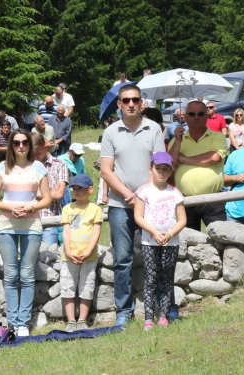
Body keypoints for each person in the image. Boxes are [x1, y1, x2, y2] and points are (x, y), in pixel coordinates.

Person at [100, 83, 165, 326]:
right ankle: (123, 312)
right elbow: (106, 171)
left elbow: (159, 165)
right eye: (125, 100)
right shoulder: (111, 132)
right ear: (119, 104)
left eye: (135, 100)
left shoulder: (154, 128)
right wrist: (130, 194)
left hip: (150, 203)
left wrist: (144, 193)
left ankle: (160, 305)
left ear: (141, 103)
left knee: (156, 255)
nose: (130, 104)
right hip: (120, 205)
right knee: (122, 260)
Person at [0, 129, 51, 337]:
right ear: (10, 145)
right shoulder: (2, 167)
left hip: (31, 225)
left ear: (30, 145)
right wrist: (9, 209)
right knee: (11, 273)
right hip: (7, 225)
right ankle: (12, 321)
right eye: (16, 143)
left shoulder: (39, 167)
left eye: (25, 142)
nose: (21, 146)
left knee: (27, 274)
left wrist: (31, 208)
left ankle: (23, 322)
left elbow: (47, 199)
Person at [134, 152, 186, 330]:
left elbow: (182, 219)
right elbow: (138, 216)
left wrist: (170, 234)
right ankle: (149, 317)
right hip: (150, 241)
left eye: (165, 169)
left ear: (171, 172)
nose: (161, 172)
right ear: (151, 170)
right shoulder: (143, 192)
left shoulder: (175, 193)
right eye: (158, 169)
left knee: (167, 279)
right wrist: (154, 232)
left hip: (170, 242)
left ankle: (163, 315)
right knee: (150, 278)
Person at [169, 100, 228, 231]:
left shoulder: (217, 137)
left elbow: (214, 157)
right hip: (184, 200)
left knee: (221, 240)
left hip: (213, 200)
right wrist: (178, 141)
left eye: (201, 114)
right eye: (192, 114)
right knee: (188, 245)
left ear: (207, 116)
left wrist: (184, 159)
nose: (196, 117)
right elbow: (169, 165)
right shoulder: (176, 140)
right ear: (185, 117)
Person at [61, 174, 102, 332]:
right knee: (68, 286)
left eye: (80, 188)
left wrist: (88, 252)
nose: (76, 191)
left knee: (87, 286)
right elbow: (66, 232)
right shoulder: (67, 209)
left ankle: (83, 319)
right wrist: (69, 252)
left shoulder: (96, 209)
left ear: (90, 189)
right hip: (68, 257)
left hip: (89, 257)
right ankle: (71, 320)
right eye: (74, 188)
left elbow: (96, 233)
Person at [31, 133, 68, 246]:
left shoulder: (59, 165)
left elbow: (59, 195)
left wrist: (31, 192)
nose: (35, 156)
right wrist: (49, 194)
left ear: (45, 147)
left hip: (49, 219)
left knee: (48, 257)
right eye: (32, 154)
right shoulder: (26, 166)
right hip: (29, 220)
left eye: (38, 153)